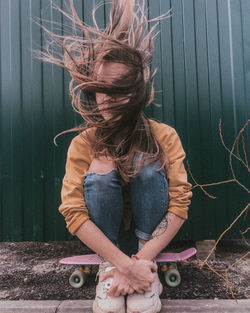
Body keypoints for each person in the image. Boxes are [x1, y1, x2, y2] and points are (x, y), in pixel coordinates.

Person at [38, 0, 192, 312]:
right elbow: (73, 212)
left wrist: (141, 262)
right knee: (101, 164)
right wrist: (122, 264)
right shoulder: (84, 143)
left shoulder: (165, 136)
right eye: (101, 88)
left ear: (136, 93)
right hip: (109, 246)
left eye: (118, 90)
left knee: (149, 160)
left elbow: (179, 202)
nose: (107, 100)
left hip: (146, 243)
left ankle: (145, 280)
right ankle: (111, 275)